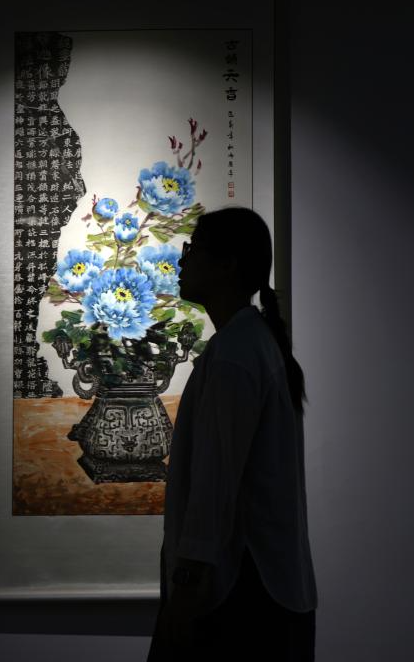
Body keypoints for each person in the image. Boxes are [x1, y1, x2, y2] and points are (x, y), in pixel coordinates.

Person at [147, 207, 317, 661]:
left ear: (228, 265)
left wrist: (186, 584)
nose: (182, 260)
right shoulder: (249, 342)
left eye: (193, 249)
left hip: (239, 592)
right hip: (259, 586)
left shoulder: (235, 353)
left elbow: (215, 481)